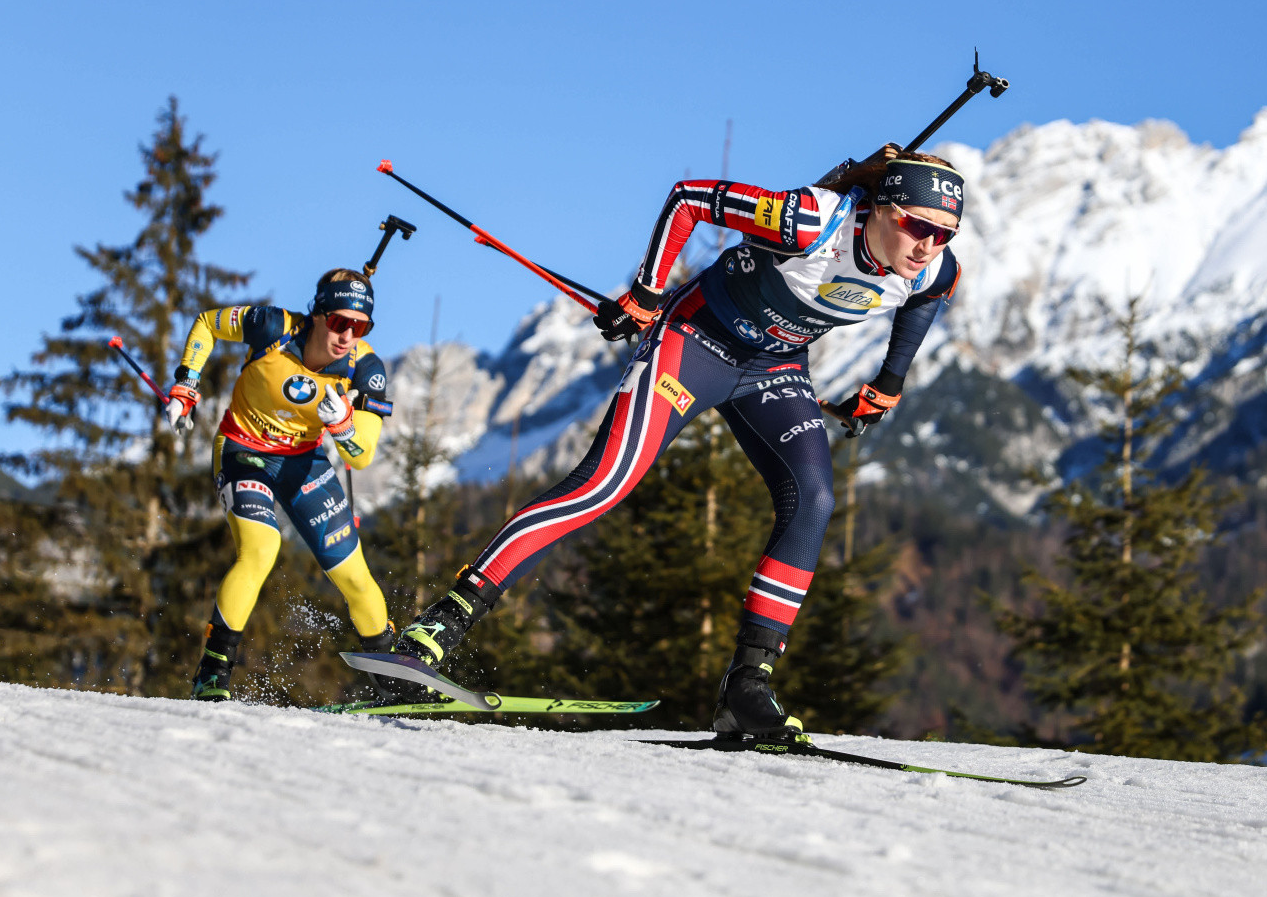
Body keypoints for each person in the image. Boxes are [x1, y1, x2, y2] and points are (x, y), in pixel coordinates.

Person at [387, 146, 964, 734]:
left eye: (945, 234)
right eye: (919, 226)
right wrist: (647, 293)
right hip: (694, 343)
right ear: (880, 209)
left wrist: (889, 385)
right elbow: (688, 198)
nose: (929, 247)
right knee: (604, 484)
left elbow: (929, 298)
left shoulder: (933, 268)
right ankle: (438, 626)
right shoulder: (810, 220)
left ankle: (747, 685)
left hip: (775, 368)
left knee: (813, 500)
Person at [165, 268, 397, 701]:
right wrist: (187, 383)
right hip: (243, 450)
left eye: (360, 326)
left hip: (304, 461)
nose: (348, 335)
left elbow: (361, 455)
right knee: (261, 549)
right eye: (341, 322)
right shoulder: (272, 327)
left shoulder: (366, 368)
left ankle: (392, 681)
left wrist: (343, 426)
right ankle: (212, 673)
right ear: (319, 314)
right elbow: (207, 323)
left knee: (356, 578)